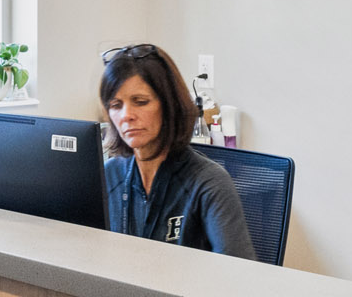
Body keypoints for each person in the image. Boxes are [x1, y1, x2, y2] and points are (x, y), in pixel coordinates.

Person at [97, 43, 254, 258]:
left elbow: (239, 277)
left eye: (140, 102)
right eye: (116, 105)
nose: (126, 115)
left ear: (170, 105)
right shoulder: (108, 176)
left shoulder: (209, 183)